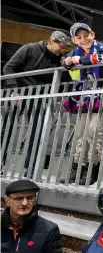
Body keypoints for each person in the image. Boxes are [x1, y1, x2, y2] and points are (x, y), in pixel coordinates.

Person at [2, 31, 72, 177]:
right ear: (51, 41)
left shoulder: (60, 59)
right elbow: (8, 68)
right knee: (5, 131)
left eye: (65, 47)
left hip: (39, 98)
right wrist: (15, 91)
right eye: (61, 45)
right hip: (18, 94)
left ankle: (31, 169)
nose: (62, 49)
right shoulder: (30, 48)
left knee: (37, 133)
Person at [60, 23, 103, 186]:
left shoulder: (102, 46)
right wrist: (69, 61)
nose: (83, 40)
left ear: (92, 34)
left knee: (95, 133)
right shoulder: (75, 50)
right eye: (79, 37)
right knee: (81, 135)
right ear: (74, 40)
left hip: (102, 98)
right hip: (83, 99)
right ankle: (77, 168)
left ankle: (92, 170)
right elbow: (64, 62)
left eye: (86, 35)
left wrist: (81, 60)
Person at [1, 179, 62, 253]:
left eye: (30, 198)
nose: (25, 203)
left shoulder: (48, 230)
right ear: (7, 201)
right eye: (19, 198)